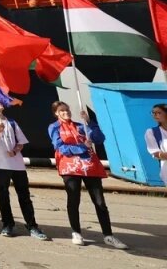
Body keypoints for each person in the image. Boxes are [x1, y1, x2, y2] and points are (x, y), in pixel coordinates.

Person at [48, 101, 127, 249]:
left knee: (100, 202)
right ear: (56, 113)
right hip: (70, 168)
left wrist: (89, 122)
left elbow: (99, 138)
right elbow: (60, 148)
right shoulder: (54, 127)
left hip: (89, 167)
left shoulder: (80, 126)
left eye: (67, 109)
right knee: (74, 200)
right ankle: (76, 232)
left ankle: (108, 235)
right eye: (62, 110)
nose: (66, 112)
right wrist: (81, 147)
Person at [0, 98, 49, 240]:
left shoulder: (11, 122)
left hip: (17, 164)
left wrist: (15, 151)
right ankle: (8, 224)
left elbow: (21, 142)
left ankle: (32, 225)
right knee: (3, 194)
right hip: (0, 164)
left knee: (24, 195)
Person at [144, 103, 167, 185]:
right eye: (153, 113)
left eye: (158, 113)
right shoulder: (151, 132)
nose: (155, 115)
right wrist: (163, 155)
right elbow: (156, 153)